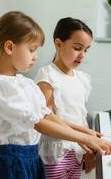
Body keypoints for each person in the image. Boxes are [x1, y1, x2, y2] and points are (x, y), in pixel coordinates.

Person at [0, 11, 111, 179]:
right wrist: (85, 139)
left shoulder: (25, 83)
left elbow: (46, 115)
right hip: (11, 165)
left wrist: (85, 134)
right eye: (31, 50)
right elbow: (40, 123)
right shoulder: (0, 87)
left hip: (30, 160)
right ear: (9, 47)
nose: (35, 57)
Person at [34, 17, 99, 179]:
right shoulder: (47, 76)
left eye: (86, 50)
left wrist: (87, 148)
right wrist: (84, 138)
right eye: (77, 48)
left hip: (76, 151)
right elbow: (46, 118)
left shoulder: (82, 78)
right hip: (55, 154)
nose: (82, 55)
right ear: (58, 44)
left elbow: (80, 115)